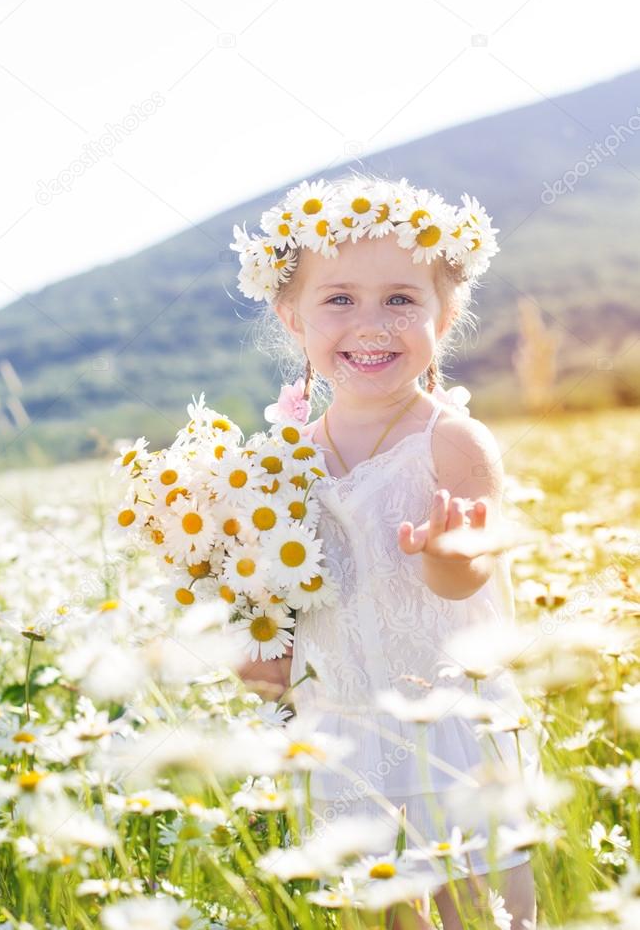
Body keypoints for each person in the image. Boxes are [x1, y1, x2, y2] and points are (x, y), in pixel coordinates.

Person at [231, 173, 540, 930]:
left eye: (401, 299)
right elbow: (276, 606)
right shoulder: (277, 464)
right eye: (339, 299)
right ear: (291, 316)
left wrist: (445, 553)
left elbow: (472, 572)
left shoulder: (452, 442)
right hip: (341, 733)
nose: (371, 324)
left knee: (485, 914)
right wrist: (260, 652)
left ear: (448, 311)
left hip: (453, 730)